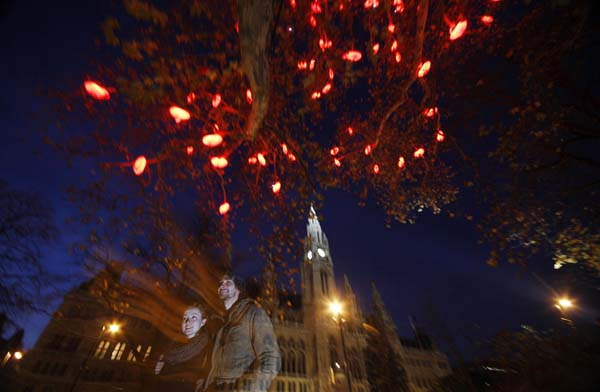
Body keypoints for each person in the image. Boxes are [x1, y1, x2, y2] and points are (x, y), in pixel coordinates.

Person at [205, 274, 280, 392]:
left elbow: (271, 357)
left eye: (228, 283)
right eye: (220, 283)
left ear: (238, 290)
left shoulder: (254, 313)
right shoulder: (221, 321)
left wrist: (253, 389)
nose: (222, 286)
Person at [155, 303, 213, 392]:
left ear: (203, 322)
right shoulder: (171, 344)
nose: (188, 322)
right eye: (185, 318)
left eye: (194, 317)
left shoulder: (208, 347)